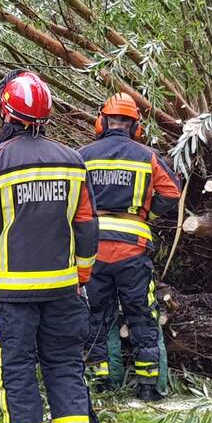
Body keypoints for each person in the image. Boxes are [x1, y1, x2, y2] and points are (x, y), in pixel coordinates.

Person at [0, 70, 100, 423]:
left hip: (12, 293)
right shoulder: (72, 160)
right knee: (65, 365)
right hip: (63, 288)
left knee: (17, 370)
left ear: (6, 111)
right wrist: (82, 276)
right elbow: (86, 224)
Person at [78, 93, 181, 402]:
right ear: (136, 127)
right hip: (133, 249)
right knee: (141, 315)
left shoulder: (83, 156)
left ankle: (102, 384)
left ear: (101, 122)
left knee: (96, 317)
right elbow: (171, 192)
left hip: (93, 249)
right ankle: (149, 387)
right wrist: (145, 213)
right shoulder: (146, 156)